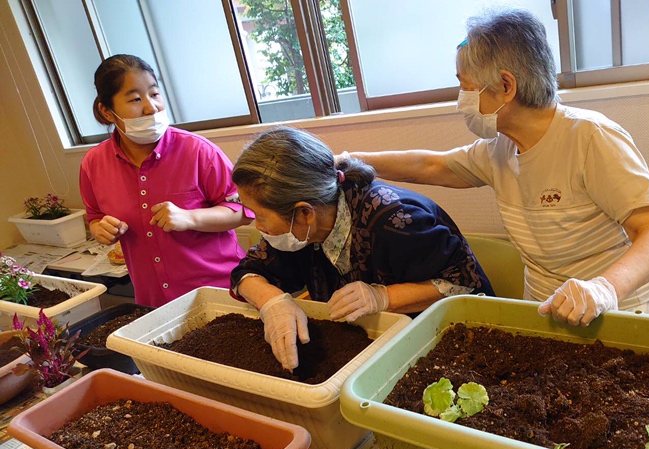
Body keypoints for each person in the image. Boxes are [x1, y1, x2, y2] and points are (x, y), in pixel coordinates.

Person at [339, 6, 649, 328]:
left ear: (506, 85)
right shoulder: (499, 150)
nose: (461, 98)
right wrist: (350, 159)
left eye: (466, 86)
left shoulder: (590, 137)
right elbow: (430, 165)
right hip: (547, 306)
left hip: (622, 305)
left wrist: (604, 289)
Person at [230, 126, 494, 371]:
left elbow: (464, 284)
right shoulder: (300, 230)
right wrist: (272, 303)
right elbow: (247, 272)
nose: (257, 225)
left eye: (260, 216)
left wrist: (383, 297)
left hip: (441, 342)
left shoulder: (396, 220)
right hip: (371, 345)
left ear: (304, 213)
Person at [80, 54, 253, 307]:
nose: (151, 107)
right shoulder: (93, 163)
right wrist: (100, 229)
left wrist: (190, 218)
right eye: (135, 99)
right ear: (107, 111)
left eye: (155, 94)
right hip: (154, 301)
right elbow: (94, 216)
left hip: (221, 291)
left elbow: (244, 210)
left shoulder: (198, 151)